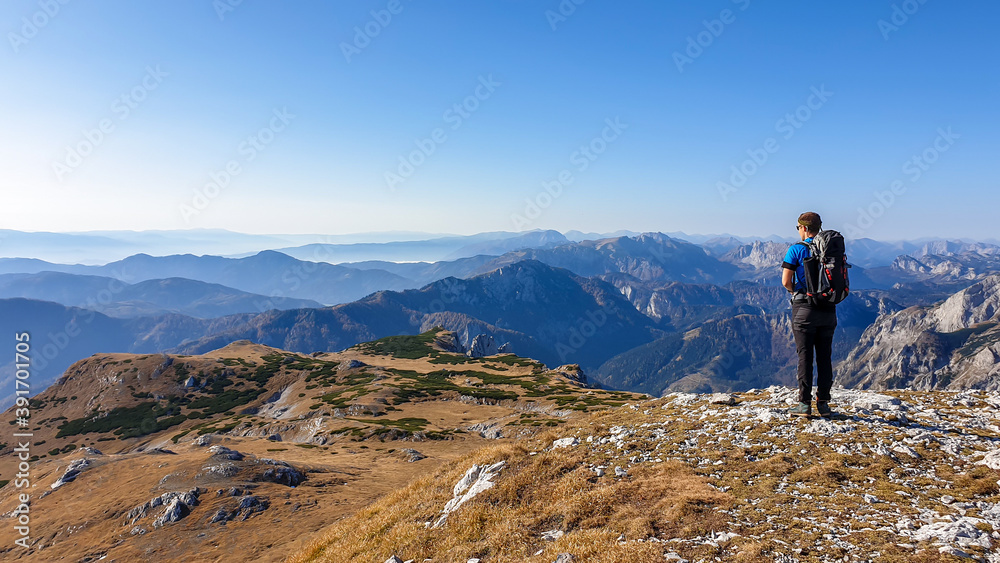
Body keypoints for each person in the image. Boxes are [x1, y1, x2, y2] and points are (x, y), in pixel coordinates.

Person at [781, 211, 837, 418]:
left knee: (805, 356)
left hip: (804, 310)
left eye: (798, 228)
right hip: (829, 309)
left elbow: (786, 281)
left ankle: (804, 405)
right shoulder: (830, 248)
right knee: (825, 357)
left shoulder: (796, 249)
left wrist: (796, 292)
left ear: (803, 228)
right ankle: (823, 404)